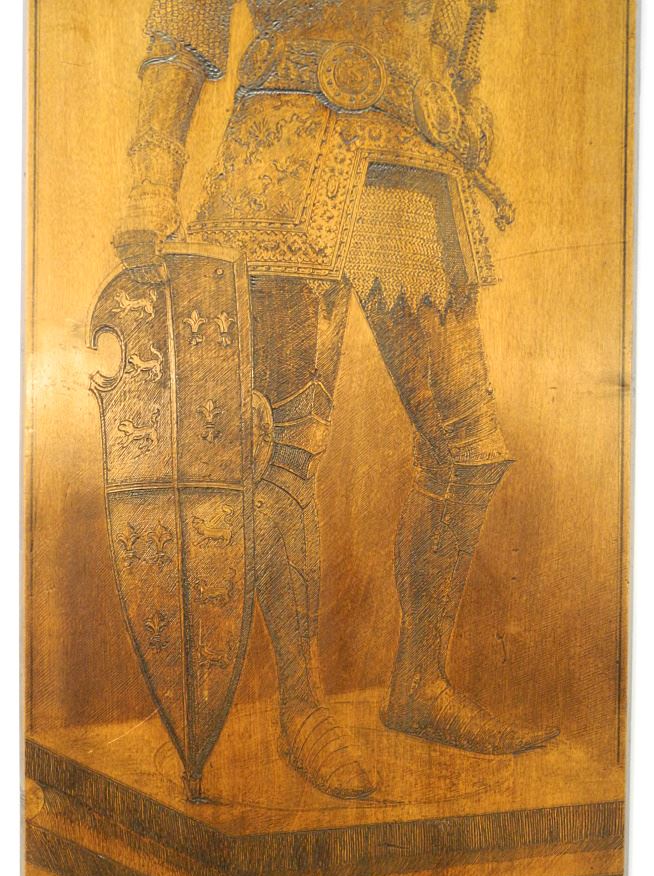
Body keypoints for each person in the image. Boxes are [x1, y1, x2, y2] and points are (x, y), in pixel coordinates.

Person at [114, 0, 557, 800]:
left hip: (416, 159)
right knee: (288, 450)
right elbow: (188, 20)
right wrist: (151, 179)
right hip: (289, 152)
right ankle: (302, 703)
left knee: (471, 451)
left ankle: (419, 683)